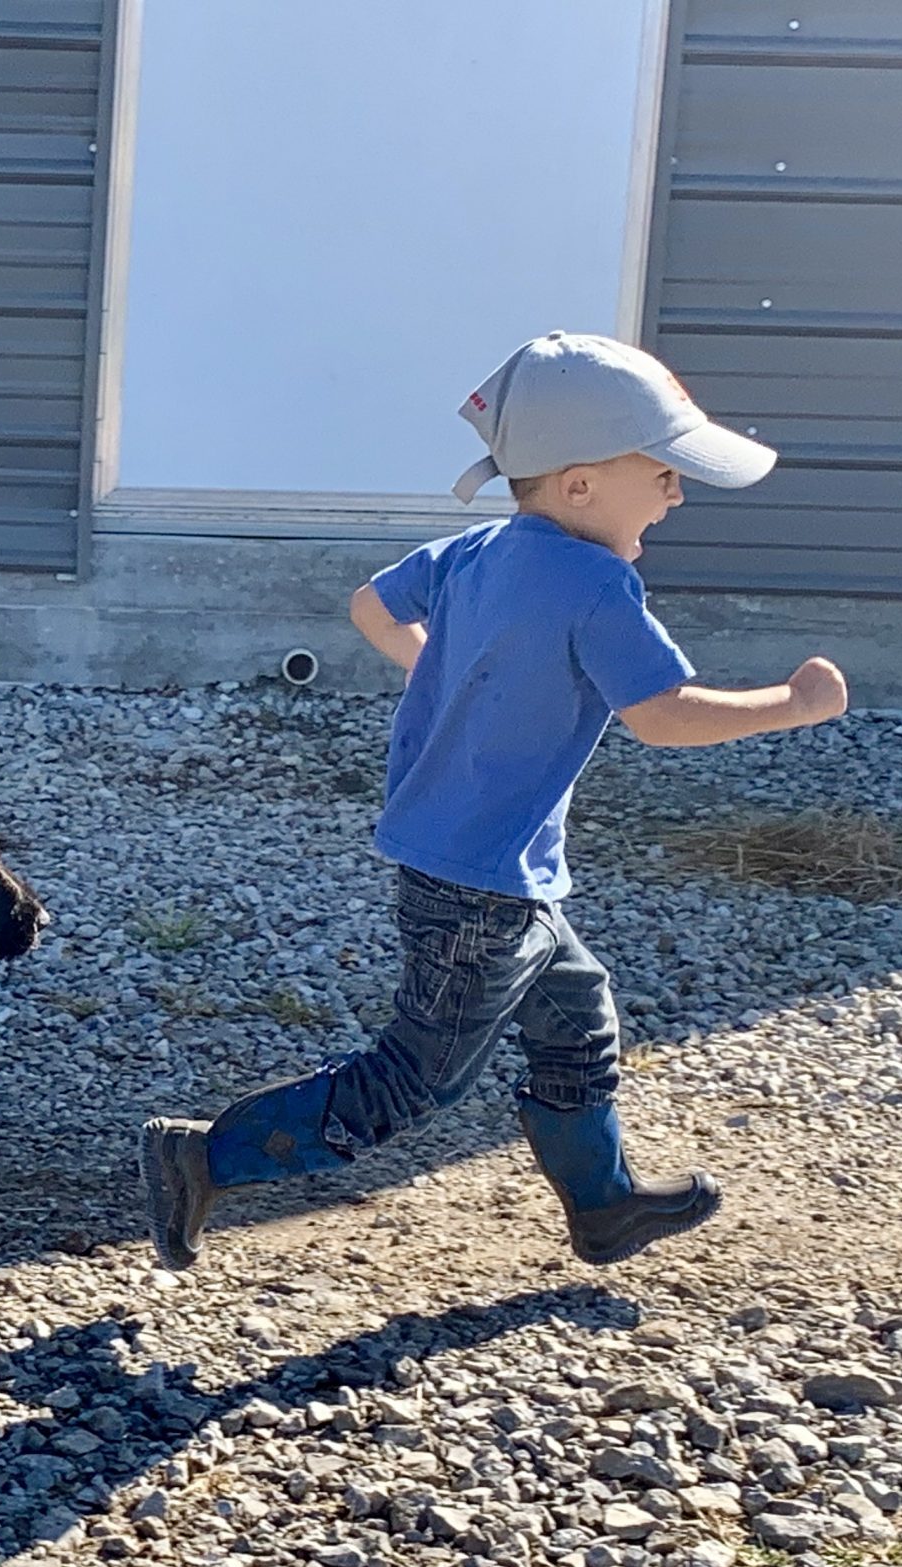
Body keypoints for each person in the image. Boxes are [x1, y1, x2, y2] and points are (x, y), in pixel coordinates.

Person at [139, 331, 849, 1271]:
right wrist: (793, 706)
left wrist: (453, 673)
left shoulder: (475, 552)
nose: (677, 491)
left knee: (578, 1018)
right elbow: (665, 718)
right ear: (580, 484)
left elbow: (369, 607)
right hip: (481, 887)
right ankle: (201, 1157)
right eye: (664, 471)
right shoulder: (598, 583)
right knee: (411, 1080)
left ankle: (602, 1204)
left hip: (484, 866)